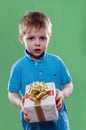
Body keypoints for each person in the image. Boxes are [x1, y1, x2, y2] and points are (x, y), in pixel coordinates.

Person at [8, 10, 73, 130]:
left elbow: (69, 85)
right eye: (31, 38)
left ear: (49, 37)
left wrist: (63, 94)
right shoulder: (18, 67)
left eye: (42, 38)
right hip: (32, 123)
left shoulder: (57, 62)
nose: (37, 43)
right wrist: (20, 104)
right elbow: (12, 93)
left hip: (58, 122)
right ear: (22, 39)